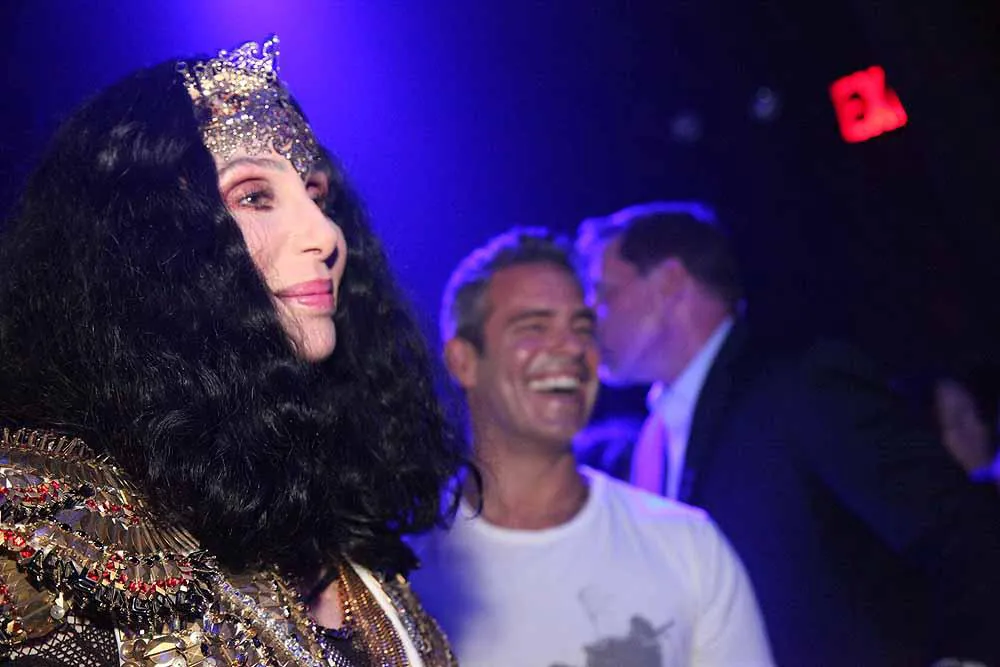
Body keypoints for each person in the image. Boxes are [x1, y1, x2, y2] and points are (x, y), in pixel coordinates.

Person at [0, 36, 460, 666]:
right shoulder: (43, 525)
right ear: (148, 243)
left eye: (317, 196)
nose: (326, 234)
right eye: (253, 196)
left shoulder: (349, 550)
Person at [575, 201, 1000, 666]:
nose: (589, 318)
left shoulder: (800, 382)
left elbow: (958, 529)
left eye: (603, 293)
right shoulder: (651, 442)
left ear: (670, 282)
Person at [408, 228, 774, 667]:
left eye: (583, 328)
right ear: (463, 361)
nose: (572, 347)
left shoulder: (687, 546)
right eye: (534, 327)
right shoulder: (405, 567)